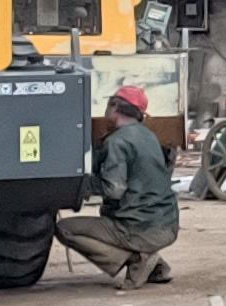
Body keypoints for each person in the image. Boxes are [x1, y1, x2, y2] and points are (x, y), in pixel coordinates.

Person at [55, 80, 181, 288]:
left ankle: (136, 261)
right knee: (107, 215)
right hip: (167, 225)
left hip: (139, 229)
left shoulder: (117, 141)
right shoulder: (149, 136)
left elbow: (114, 190)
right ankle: (153, 263)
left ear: (114, 106)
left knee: (65, 228)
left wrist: (83, 185)